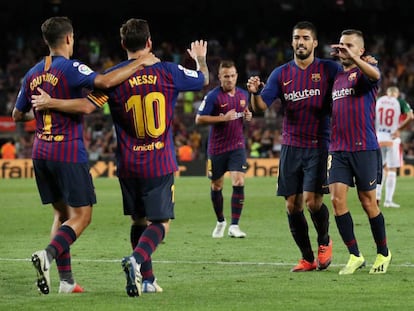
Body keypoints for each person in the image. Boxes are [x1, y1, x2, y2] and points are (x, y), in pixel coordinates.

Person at [31, 18, 209, 297]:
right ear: (149, 43)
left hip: (128, 164)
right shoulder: (169, 72)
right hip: (159, 161)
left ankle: (148, 280)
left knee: (138, 221)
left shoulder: (113, 78)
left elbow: (86, 107)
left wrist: (51, 102)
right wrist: (200, 60)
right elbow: (203, 79)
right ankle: (136, 261)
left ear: (124, 44)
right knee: (161, 223)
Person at [12, 16, 157, 295]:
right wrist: (140, 62)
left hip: (40, 152)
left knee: (62, 213)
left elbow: (17, 114)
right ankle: (47, 255)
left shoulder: (31, 74)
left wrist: (43, 105)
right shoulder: (70, 67)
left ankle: (66, 282)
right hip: (66, 151)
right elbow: (102, 81)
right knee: (82, 216)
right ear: (68, 38)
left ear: (47, 41)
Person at [246, 21, 338, 271]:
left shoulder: (330, 69)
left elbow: (352, 81)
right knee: (292, 205)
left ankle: (324, 242)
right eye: (297, 38)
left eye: (306, 38)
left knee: (312, 201)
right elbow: (260, 108)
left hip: (319, 144)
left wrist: (364, 63)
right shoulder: (281, 74)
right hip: (290, 145)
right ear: (292, 42)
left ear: (314, 43)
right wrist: (254, 93)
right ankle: (307, 258)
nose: (301, 42)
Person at [328, 29, 392, 274]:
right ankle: (355, 255)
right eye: (341, 45)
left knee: (368, 203)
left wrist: (357, 60)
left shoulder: (365, 71)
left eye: (350, 45)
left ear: (361, 50)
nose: (343, 49)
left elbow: (375, 75)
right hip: (338, 149)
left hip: (364, 147)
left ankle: (384, 253)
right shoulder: (336, 77)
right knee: (336, 200)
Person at [196, 60, 252, 238]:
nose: (230, 79)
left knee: (238, 181)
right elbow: (199, 119)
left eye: (233, 76)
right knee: (216, 185)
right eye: (226, 76)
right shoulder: (213, 96)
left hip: (237, 145)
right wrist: (222, 119)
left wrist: (248, 115)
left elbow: (245, 113)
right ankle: (221, 221)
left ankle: (235, 225)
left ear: (237, 76)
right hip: (217, 148)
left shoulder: (244, 95)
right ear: (220, 77)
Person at [375, 86, 413, 208]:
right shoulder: (399, 102)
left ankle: (377, 196)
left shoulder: (379, 100)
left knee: (380, 169)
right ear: (396, 94)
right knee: (391, 170)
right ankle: (388, 201)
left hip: (378, 137)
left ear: (387, 93)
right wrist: (399, 129)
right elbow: (411, 116)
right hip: (392, 138)